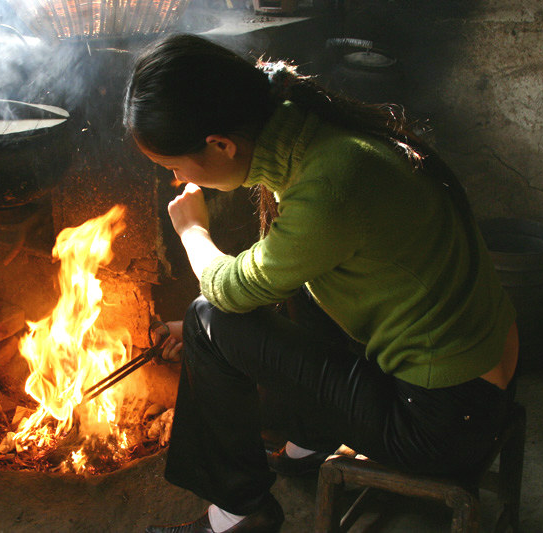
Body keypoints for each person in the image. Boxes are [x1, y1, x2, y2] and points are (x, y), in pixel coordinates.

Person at [123, 33, 519, 533]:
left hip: (443, 422)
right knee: (289, 287)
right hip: (476, 377)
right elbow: (282, 272)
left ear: (221, 144)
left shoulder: (329, 186)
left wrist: (192, 231)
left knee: (208, 317)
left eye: (173, 166)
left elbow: (224, 289)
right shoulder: (313, 131)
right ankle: (310, 443)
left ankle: (237, 517)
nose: (179, 180)